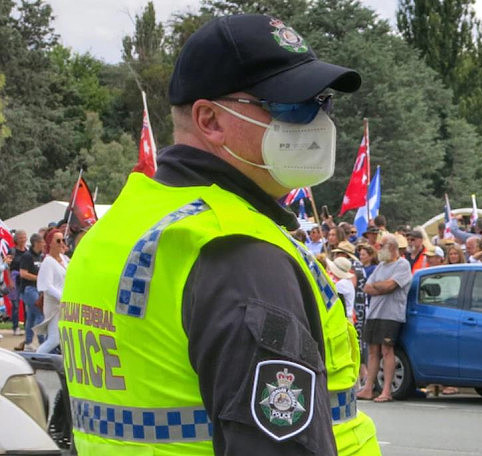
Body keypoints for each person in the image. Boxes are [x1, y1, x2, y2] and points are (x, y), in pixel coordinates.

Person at [59, 14, 379, 455]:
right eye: (291, 106)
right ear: (209, 119)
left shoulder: (116, 230)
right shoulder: (240, 253)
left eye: (323, 103)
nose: (318, 123)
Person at [358, 234, 412, 403]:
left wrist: (380, 287)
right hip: (374, 313)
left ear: (392, 247)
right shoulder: (380, 266)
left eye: (381, 245)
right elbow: (367, 287)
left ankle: (387, 390)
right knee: (373, 351)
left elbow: (391, 286)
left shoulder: (402, 265)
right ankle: (368, 387)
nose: (378, 248)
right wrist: (381, 287)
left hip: (391, 315)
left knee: (387, 351)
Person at [34, 229, 69, 354]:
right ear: (50, 243)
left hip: (64, 303)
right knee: (54, 339)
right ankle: (37, 358)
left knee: (63, 337)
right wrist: (62, 297)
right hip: (54, 305)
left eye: (63, 240)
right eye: (58, 240)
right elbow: (47, 286)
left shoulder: (64, 258)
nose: (61, 243)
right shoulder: (48, 262)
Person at [17, 233, 45, 351]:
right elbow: (23, 273)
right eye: (42, 242)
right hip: (28, 289)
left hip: (36, 289)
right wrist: (38, 278)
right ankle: (43, 342)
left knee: (32, 317)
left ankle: (28, 343)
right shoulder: (27, 256)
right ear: (36, 243)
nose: (44, 244)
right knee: (39, 314)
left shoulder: (40, 256)